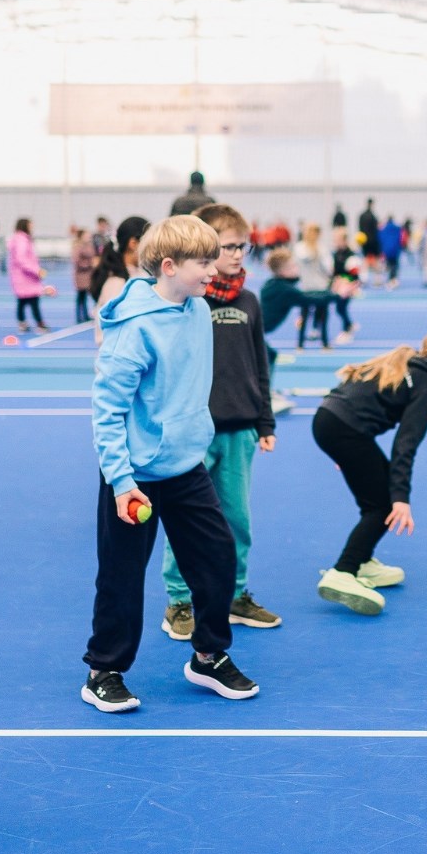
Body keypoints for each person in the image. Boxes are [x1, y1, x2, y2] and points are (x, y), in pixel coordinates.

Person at [84, 215, 259, 713]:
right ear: (168, 266)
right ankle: (104, 670)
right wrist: (121, 481)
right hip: (134, 477)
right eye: (204, 261)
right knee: (121, 577)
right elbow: (107, 409)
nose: (215, 268)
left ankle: (207, 656)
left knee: (218, 557)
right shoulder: (134, 328)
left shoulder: (198, 309)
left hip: (185, 468)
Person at [161, 204, 280, 642]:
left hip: (239, 431)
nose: (235, 255)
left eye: (241, 247)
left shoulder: (249, 301)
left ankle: (234, 595)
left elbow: (259, 364)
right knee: (184, 520)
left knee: (237, 519)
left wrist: (265, 422)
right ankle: (179, 601)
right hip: (192, 432)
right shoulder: (190, 300)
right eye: (227, 246)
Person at [311, 327, 427, 615]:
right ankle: (344, 571)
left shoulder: (405, 362)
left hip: (328, 419)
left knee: (372, 499)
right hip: (345, 430)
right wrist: (400, 497)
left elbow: (352, 387)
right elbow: (406, 444)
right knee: (384, 505)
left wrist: (340, 445)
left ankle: (363, 560)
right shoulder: (426, 387)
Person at [90, 215, 149, 346]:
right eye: (149, 244)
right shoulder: (116, 284)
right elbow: (110, 334)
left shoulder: (141, 274)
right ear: (133, 243)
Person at [260, 247, 333, 350]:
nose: (297, 268)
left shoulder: (274, 283)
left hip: (254, 330)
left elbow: (306, 294)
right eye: (293, 266)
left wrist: (330, 293)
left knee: (268, 355)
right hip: (250, 330)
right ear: (283, 271)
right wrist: (337, 295)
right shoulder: (285, 290)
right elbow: (310, 299)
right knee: (268, 356)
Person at [8, 217, 48, 333]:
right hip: (25, 277)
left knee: (24, 301)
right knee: (31, 300)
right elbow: (22, 259)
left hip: (24, 277)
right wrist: (36, 270)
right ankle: (38, 323)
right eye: (30, 225)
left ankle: (24, 322)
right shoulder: (22, 240)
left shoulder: (23, 239)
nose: (32, 227)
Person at [71, 225, 98, 324]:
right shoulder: (77, 247)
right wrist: (89, 264)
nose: (89, 236)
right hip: (80, 275)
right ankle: (79, 316)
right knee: (80, 296)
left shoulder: (89, 245)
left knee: (86, 296)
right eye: (87, 234)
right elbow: (76, 261)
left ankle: (86, 315)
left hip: (88, 275)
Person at [356, 198, 380, 284]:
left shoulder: (362, 216)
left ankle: (363, 279)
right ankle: (377, 279)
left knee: (365, 260)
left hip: (364, 242)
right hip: (373, 242)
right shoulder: (373, 216)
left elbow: (359, 229)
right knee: (375, 261)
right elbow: (376, 230)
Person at [378, 215, 403, 289]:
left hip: (387, 250)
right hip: (396, 250)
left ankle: (390, 279)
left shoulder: (383, 229)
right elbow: (401, 239)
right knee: (395, 265)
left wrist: (382, 249)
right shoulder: (398, 228)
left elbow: (380, 239)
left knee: (388, 264)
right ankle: (393, 279)